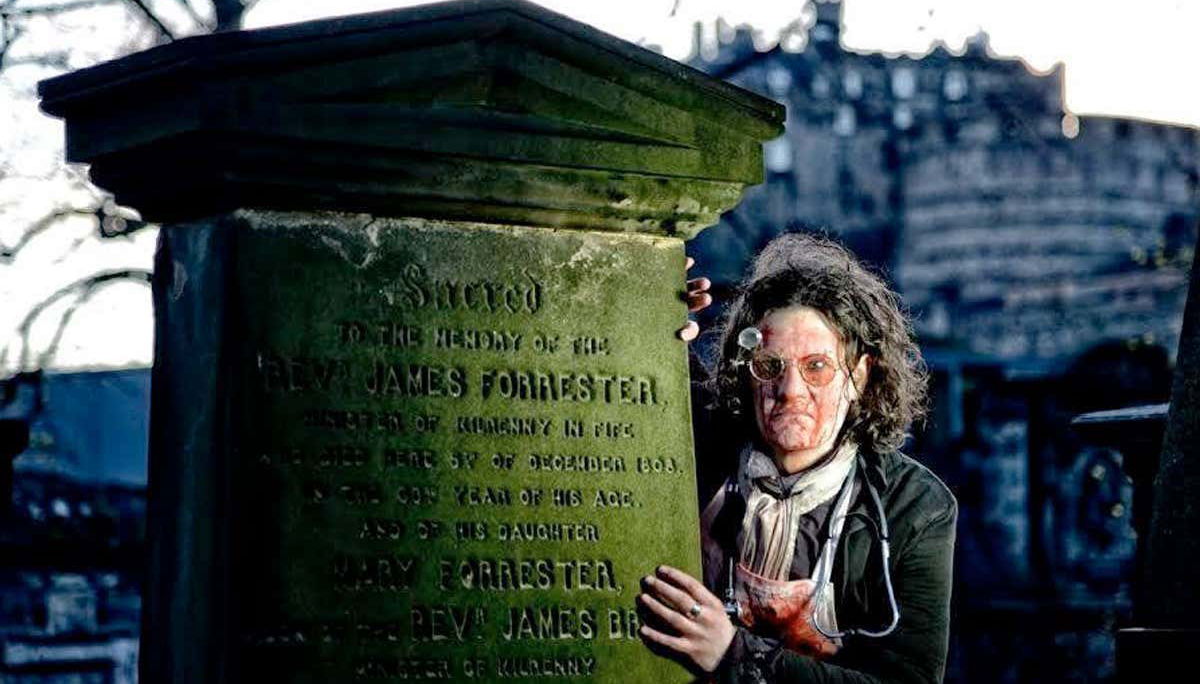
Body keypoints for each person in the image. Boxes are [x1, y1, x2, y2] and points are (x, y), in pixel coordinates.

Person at [641, 233, 957, 683]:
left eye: (817, 367)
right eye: (770, 366)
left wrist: (734, 652)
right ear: (746, 372)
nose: (790, 392)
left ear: (860, 377)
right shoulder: (704, 447)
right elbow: (637, 386)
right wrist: (650, 309)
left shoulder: (915, 507)